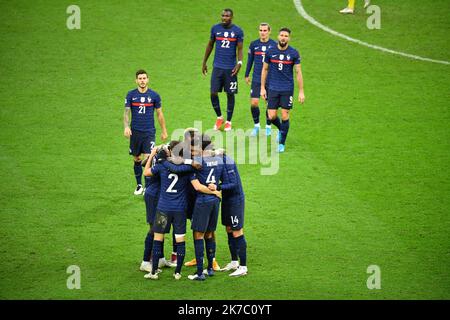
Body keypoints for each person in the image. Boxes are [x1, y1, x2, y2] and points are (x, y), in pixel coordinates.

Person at [260, 28, 305, 153]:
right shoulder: (270, 52)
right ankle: (282, 129)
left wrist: (301, 91)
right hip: (273, 88)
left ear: (289, 38)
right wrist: (262, 88)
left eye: (286, 36)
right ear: (278, 37)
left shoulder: (294, 53)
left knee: (285, 115)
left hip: (287, 88)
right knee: (271, 115)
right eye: (281, 35)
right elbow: (264, 69)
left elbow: (298, 72)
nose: (283, 38)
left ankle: (281, 143)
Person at [123, 69, 168, 195]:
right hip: (135, 132)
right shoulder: (131, 95)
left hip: (149, 132)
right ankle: (139, 185)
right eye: (140, 78)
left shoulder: (154, 96)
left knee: (148, 158)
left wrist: (164, 130)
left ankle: (148, 187)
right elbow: (126, 112)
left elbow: (159, 114)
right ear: (136, 80)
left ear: (147, 80)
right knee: (137, 159)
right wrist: (126, 126)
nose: (142, 81)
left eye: (144, 78)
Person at [187, 135, 225, 281]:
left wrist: (212, 191)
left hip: (202, 201)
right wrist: (216, 191)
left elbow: (197, 186)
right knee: (210, 234)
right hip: (215, 202)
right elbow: (220, 180)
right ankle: (209, 268)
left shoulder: (197, 162)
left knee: (198, 235)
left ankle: (199, 272)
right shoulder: (220, 161)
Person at [202, 8, 244, 131]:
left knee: (230, 94)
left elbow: (240, 49)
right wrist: (204, 62)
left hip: (230, 69)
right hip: (217, 67)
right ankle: (219, 117)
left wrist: (239, 63)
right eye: (223, 16)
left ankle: (228, 122)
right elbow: (210, 44)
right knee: (213, 93)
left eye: (227, 16)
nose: (224, 18)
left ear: (232, 17)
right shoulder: (215, 29)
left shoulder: (238, 31)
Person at [245, 23, 277, 137]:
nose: (262, 32)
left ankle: (268, 126)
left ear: (269, 31)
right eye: (261, 30)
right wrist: (246, 74)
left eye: (265, 30)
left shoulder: (274, 45)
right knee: (254, 103)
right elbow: (250, 60)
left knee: (269, 103)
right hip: (257, 78)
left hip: (270, 79)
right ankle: (257, 125)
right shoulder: (254, 44)